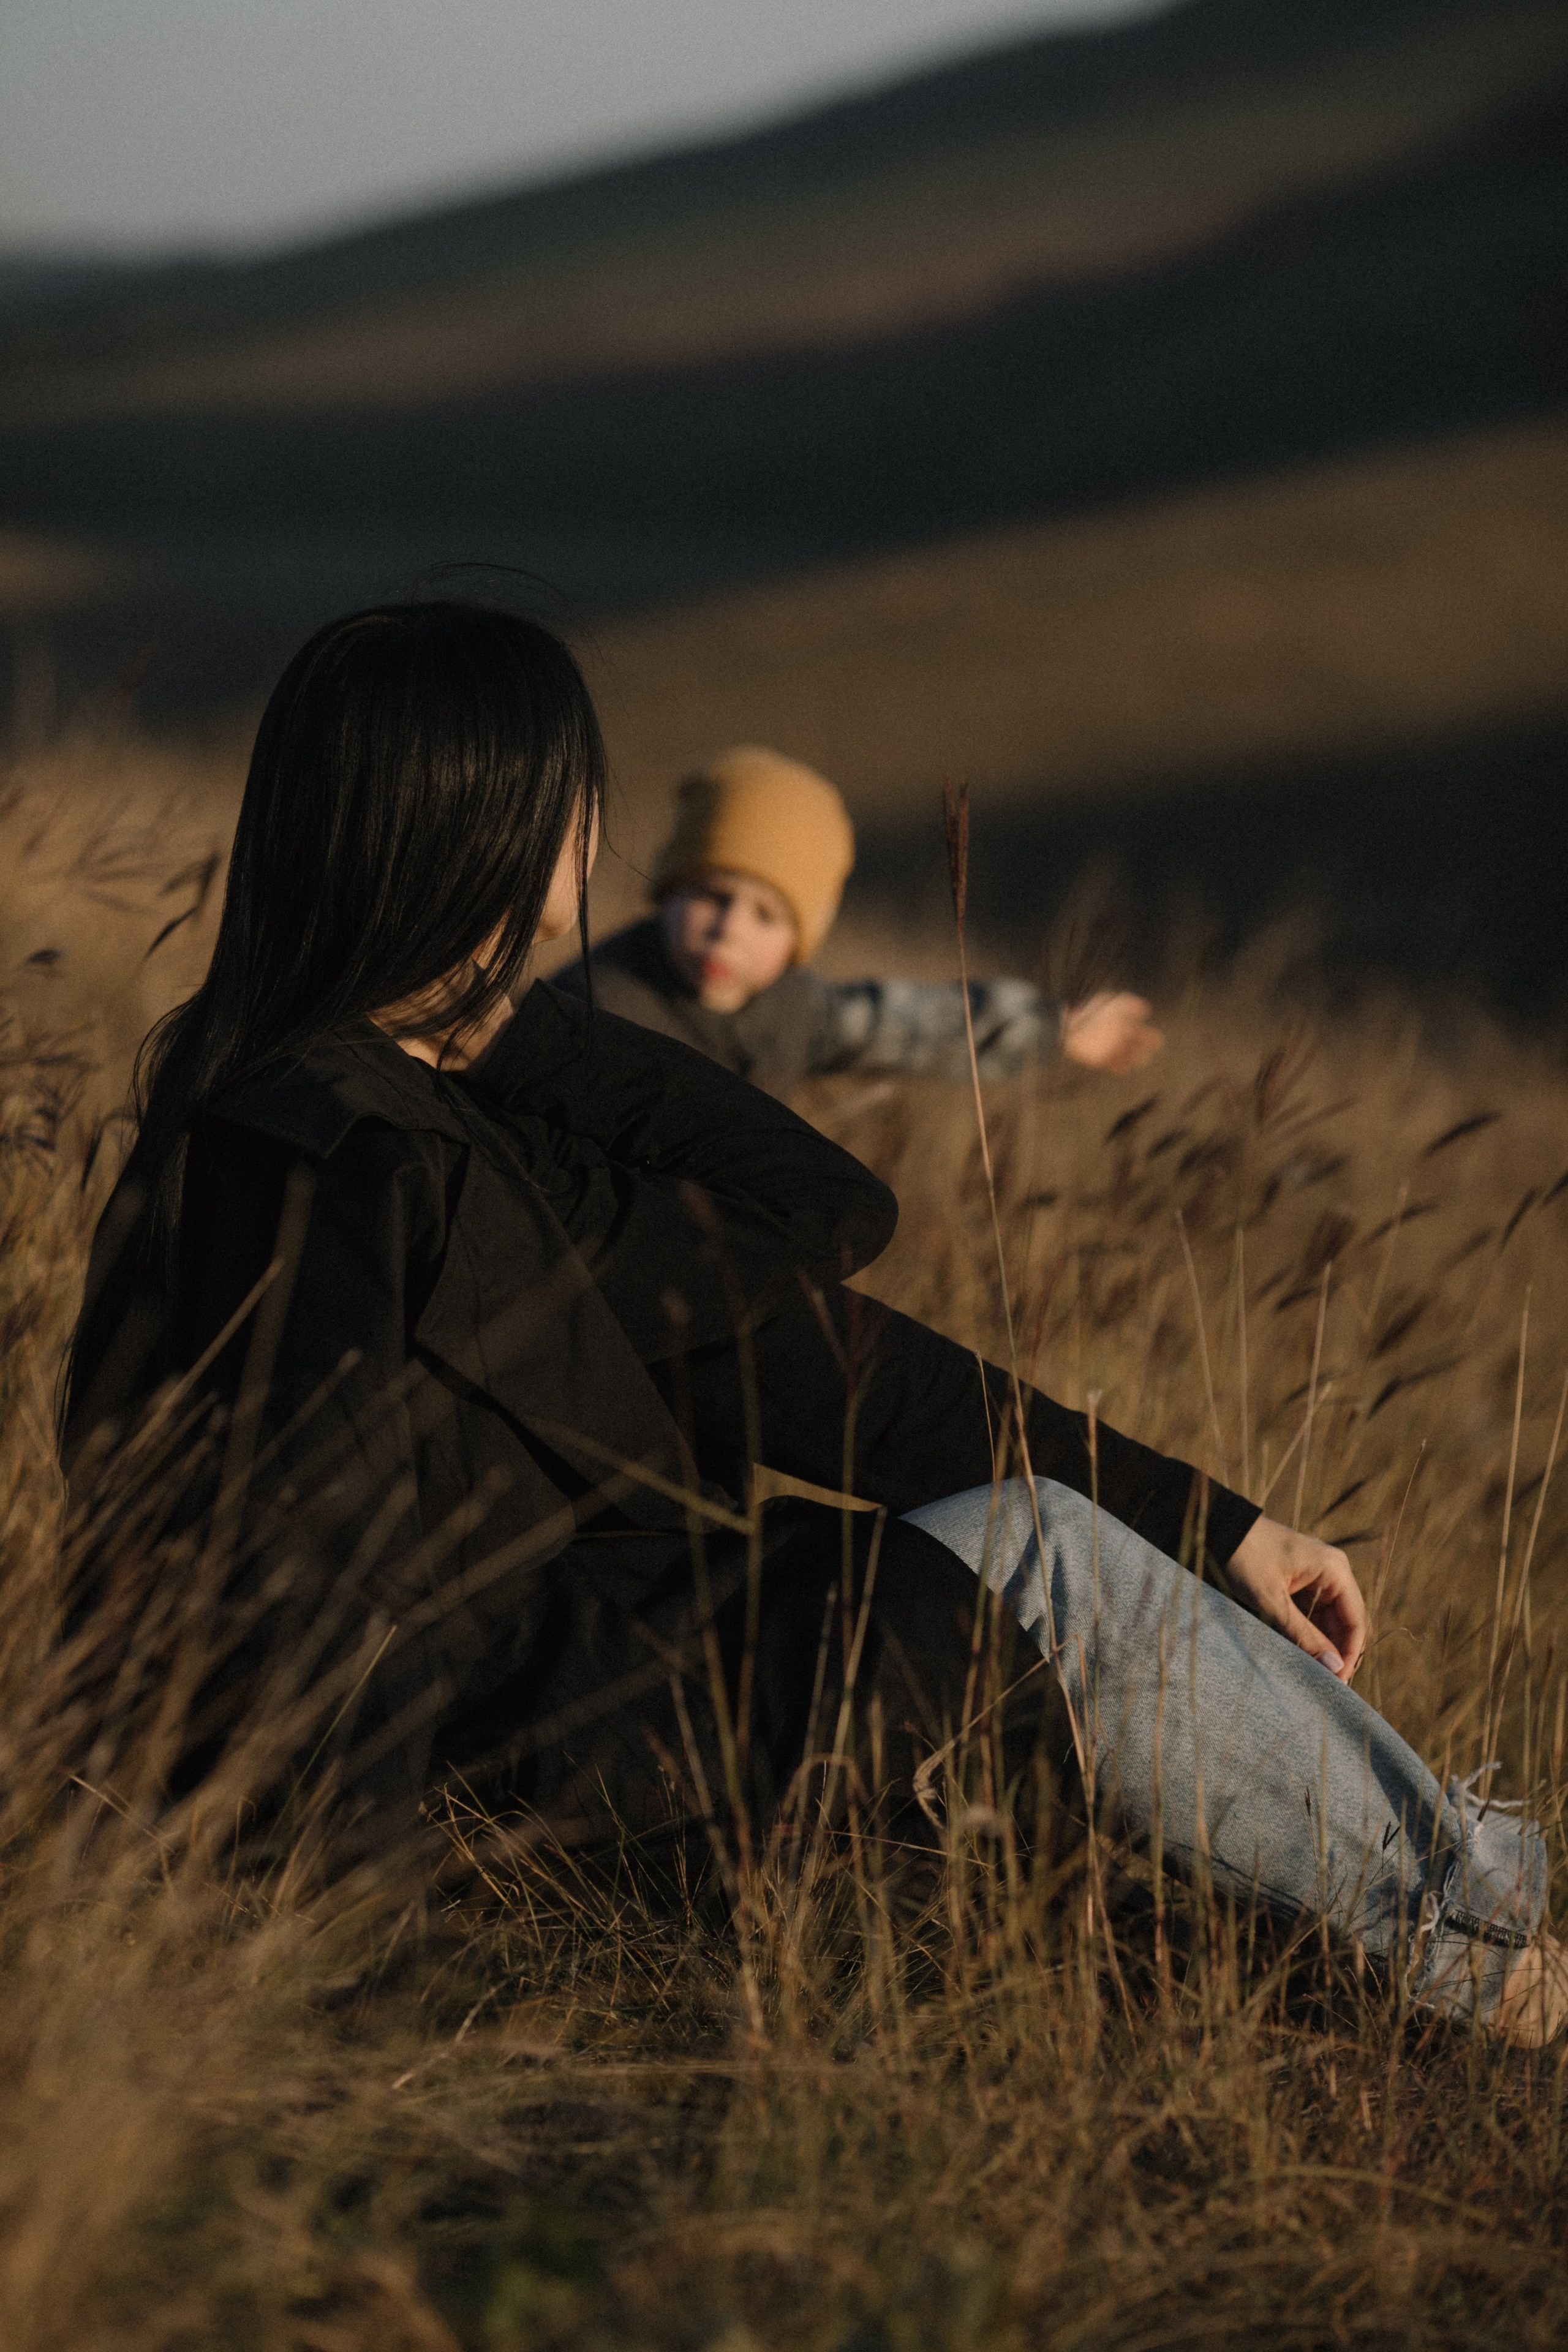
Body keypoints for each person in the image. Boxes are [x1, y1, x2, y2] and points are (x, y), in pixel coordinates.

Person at [62, 604, 1560, 2041]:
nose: (590, 848)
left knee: (1049, 1573)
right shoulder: (320, 1160)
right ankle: (1489, 1948)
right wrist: (333, 1944)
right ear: (486, 834)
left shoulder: (418, 1104)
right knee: (1050, 1571)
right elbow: (289, 1585)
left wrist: (1207, 1519)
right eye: (570, 812)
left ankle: (1485, 1935)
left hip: (601, 1677)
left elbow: (808, 1269)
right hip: (539, 1730)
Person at [556, 746, 1163, 1098]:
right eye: (713, 897)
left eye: (767, 915)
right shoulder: (589, 1005)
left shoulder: (796, 1011)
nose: (730, 929)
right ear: (668, 891)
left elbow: (910, 1027)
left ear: (801, 938)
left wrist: (1050, 1027)